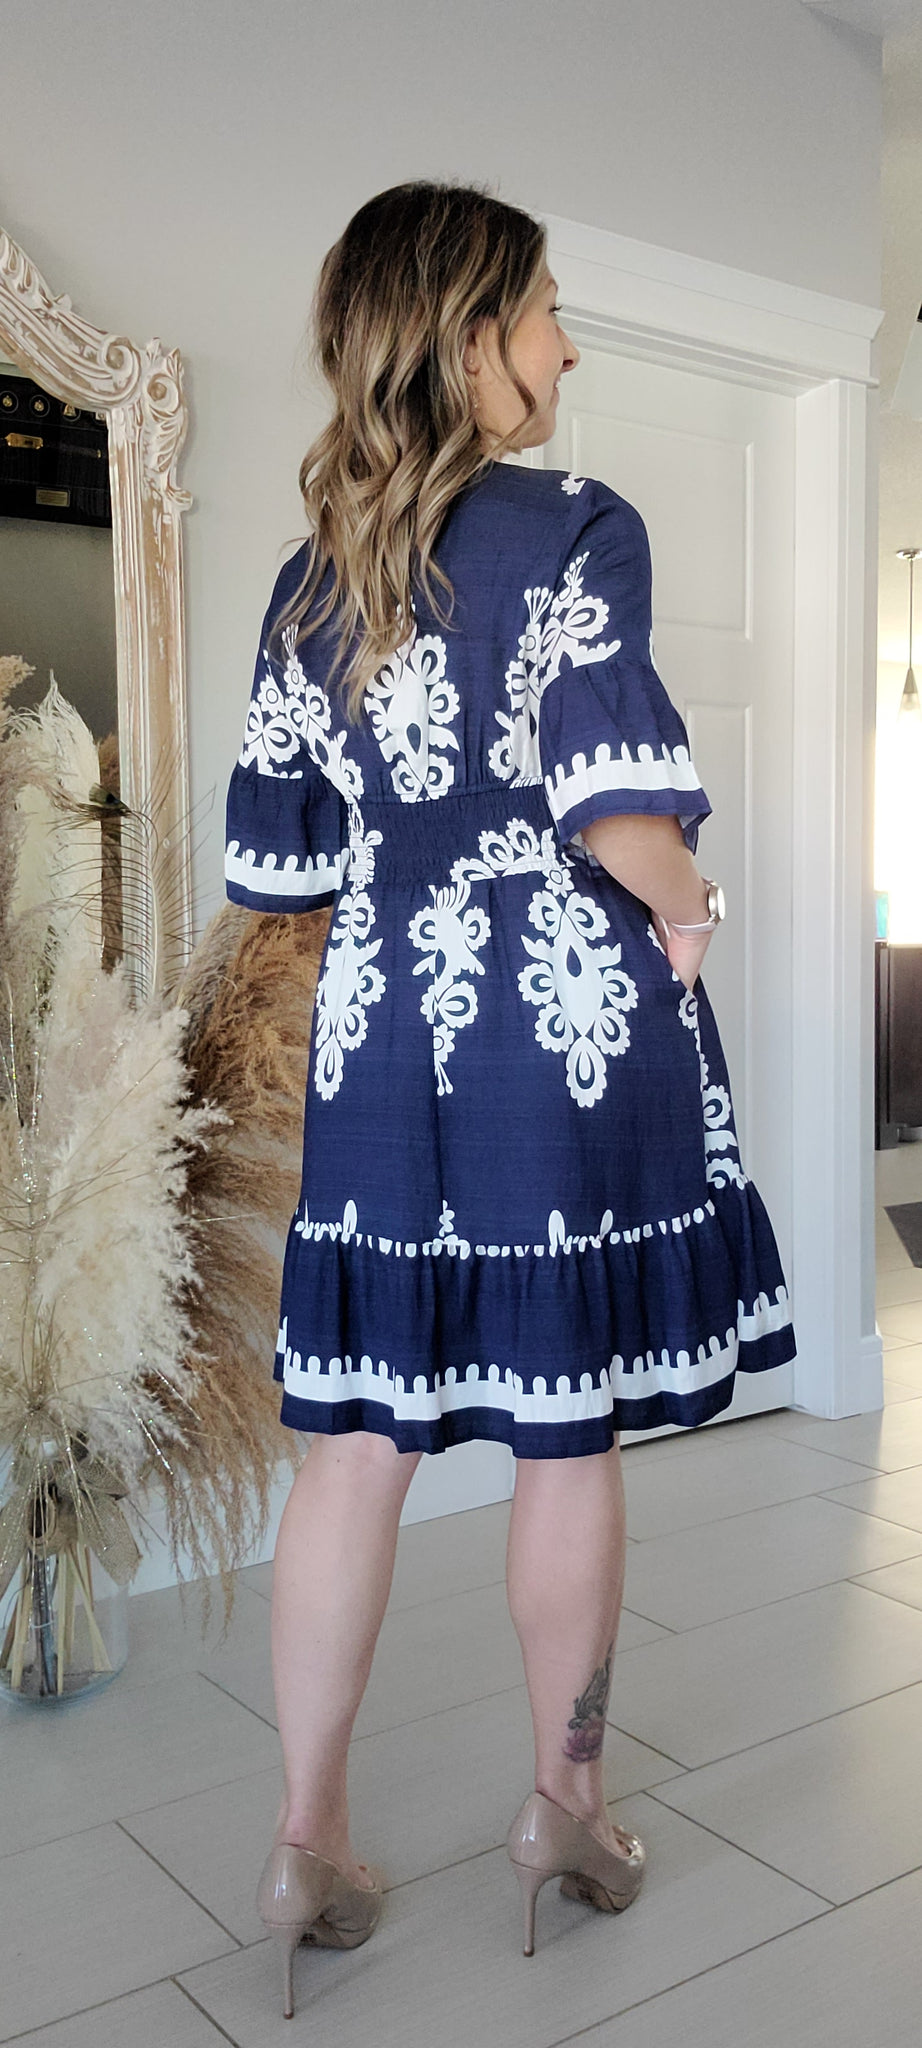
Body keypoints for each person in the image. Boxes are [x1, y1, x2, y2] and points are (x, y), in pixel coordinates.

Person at [224, 180, 796, 2019]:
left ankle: (303, 1840)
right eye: (547, 310)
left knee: (353, 1446)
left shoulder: (307, 575)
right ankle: (565, 1809)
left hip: (383, 1032)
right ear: (472, 340)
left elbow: (282, 872)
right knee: (566, 1432)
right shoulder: (576, 528)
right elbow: (613, 803)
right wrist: (694, 912)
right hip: (564, 1036)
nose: (567, 345)